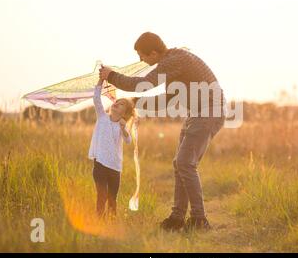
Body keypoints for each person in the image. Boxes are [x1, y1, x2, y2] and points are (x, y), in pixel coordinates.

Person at [99, 32, 225, 231]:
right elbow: (167, 99)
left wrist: (111, 76)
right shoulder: (174, 63)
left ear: (154, 52)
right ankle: (177, 218)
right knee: (180, 164)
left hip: (209, 112)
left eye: (142, 55)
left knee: (185, 163)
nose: (140, 60)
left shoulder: (173, 61)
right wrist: (136, 102)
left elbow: (141, 85)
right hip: (198, 113)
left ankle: (200, 220)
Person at [88, 78, 135, 217]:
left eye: (120, 105)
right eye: (117, 102)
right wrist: (100, 81)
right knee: (101, 195)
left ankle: (112, 222)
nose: (116, 104)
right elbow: (96, 99)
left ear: (124, 113)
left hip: (115, 167)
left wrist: (124, 128)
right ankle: (99, 221)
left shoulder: (122, 125)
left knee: (112, 198)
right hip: (100, 163)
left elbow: (128, 141)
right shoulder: (102, 117)